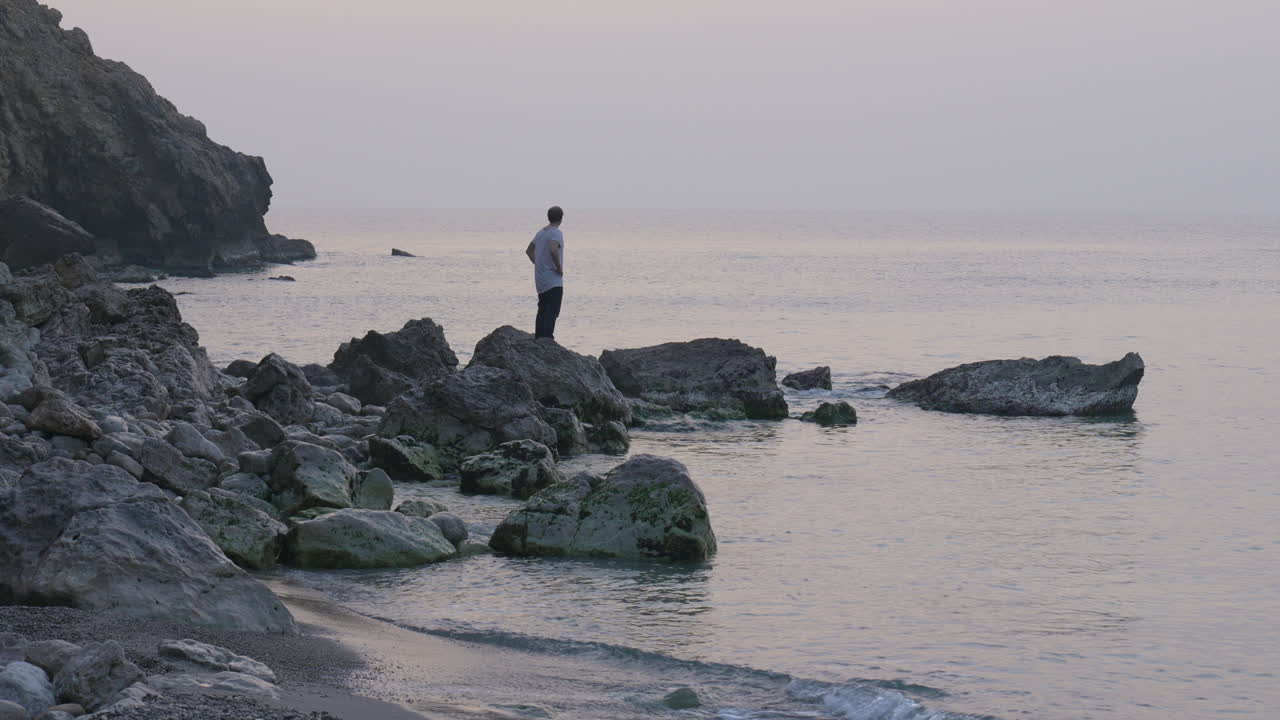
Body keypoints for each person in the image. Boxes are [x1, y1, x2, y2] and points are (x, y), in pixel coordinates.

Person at [525, 205, 565, 341]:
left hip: (541, 279)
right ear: (561, 218)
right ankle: (547, 339)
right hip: (553, 280)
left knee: (542, 309)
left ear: (548, 217)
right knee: (552, 311)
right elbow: (553, 250)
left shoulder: (541, 232)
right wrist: (559, 268)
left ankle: (539, 338)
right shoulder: (556, 232)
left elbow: (529, 251)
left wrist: (539, 265)